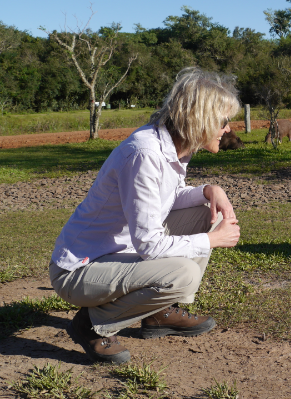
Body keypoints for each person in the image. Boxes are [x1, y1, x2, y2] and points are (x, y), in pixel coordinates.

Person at [49, 67, 241, 364]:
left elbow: (166, 199)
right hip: (80, 271)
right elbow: (149, 245)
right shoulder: (145, 153)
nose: (227, 129)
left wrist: (208, 190)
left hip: (119, 256)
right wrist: (211, 240)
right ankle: (92, 323)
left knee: (206, 213)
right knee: (184, 273)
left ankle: (158, 314)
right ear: (200, 120)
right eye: (224, 121)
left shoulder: (176, 147)